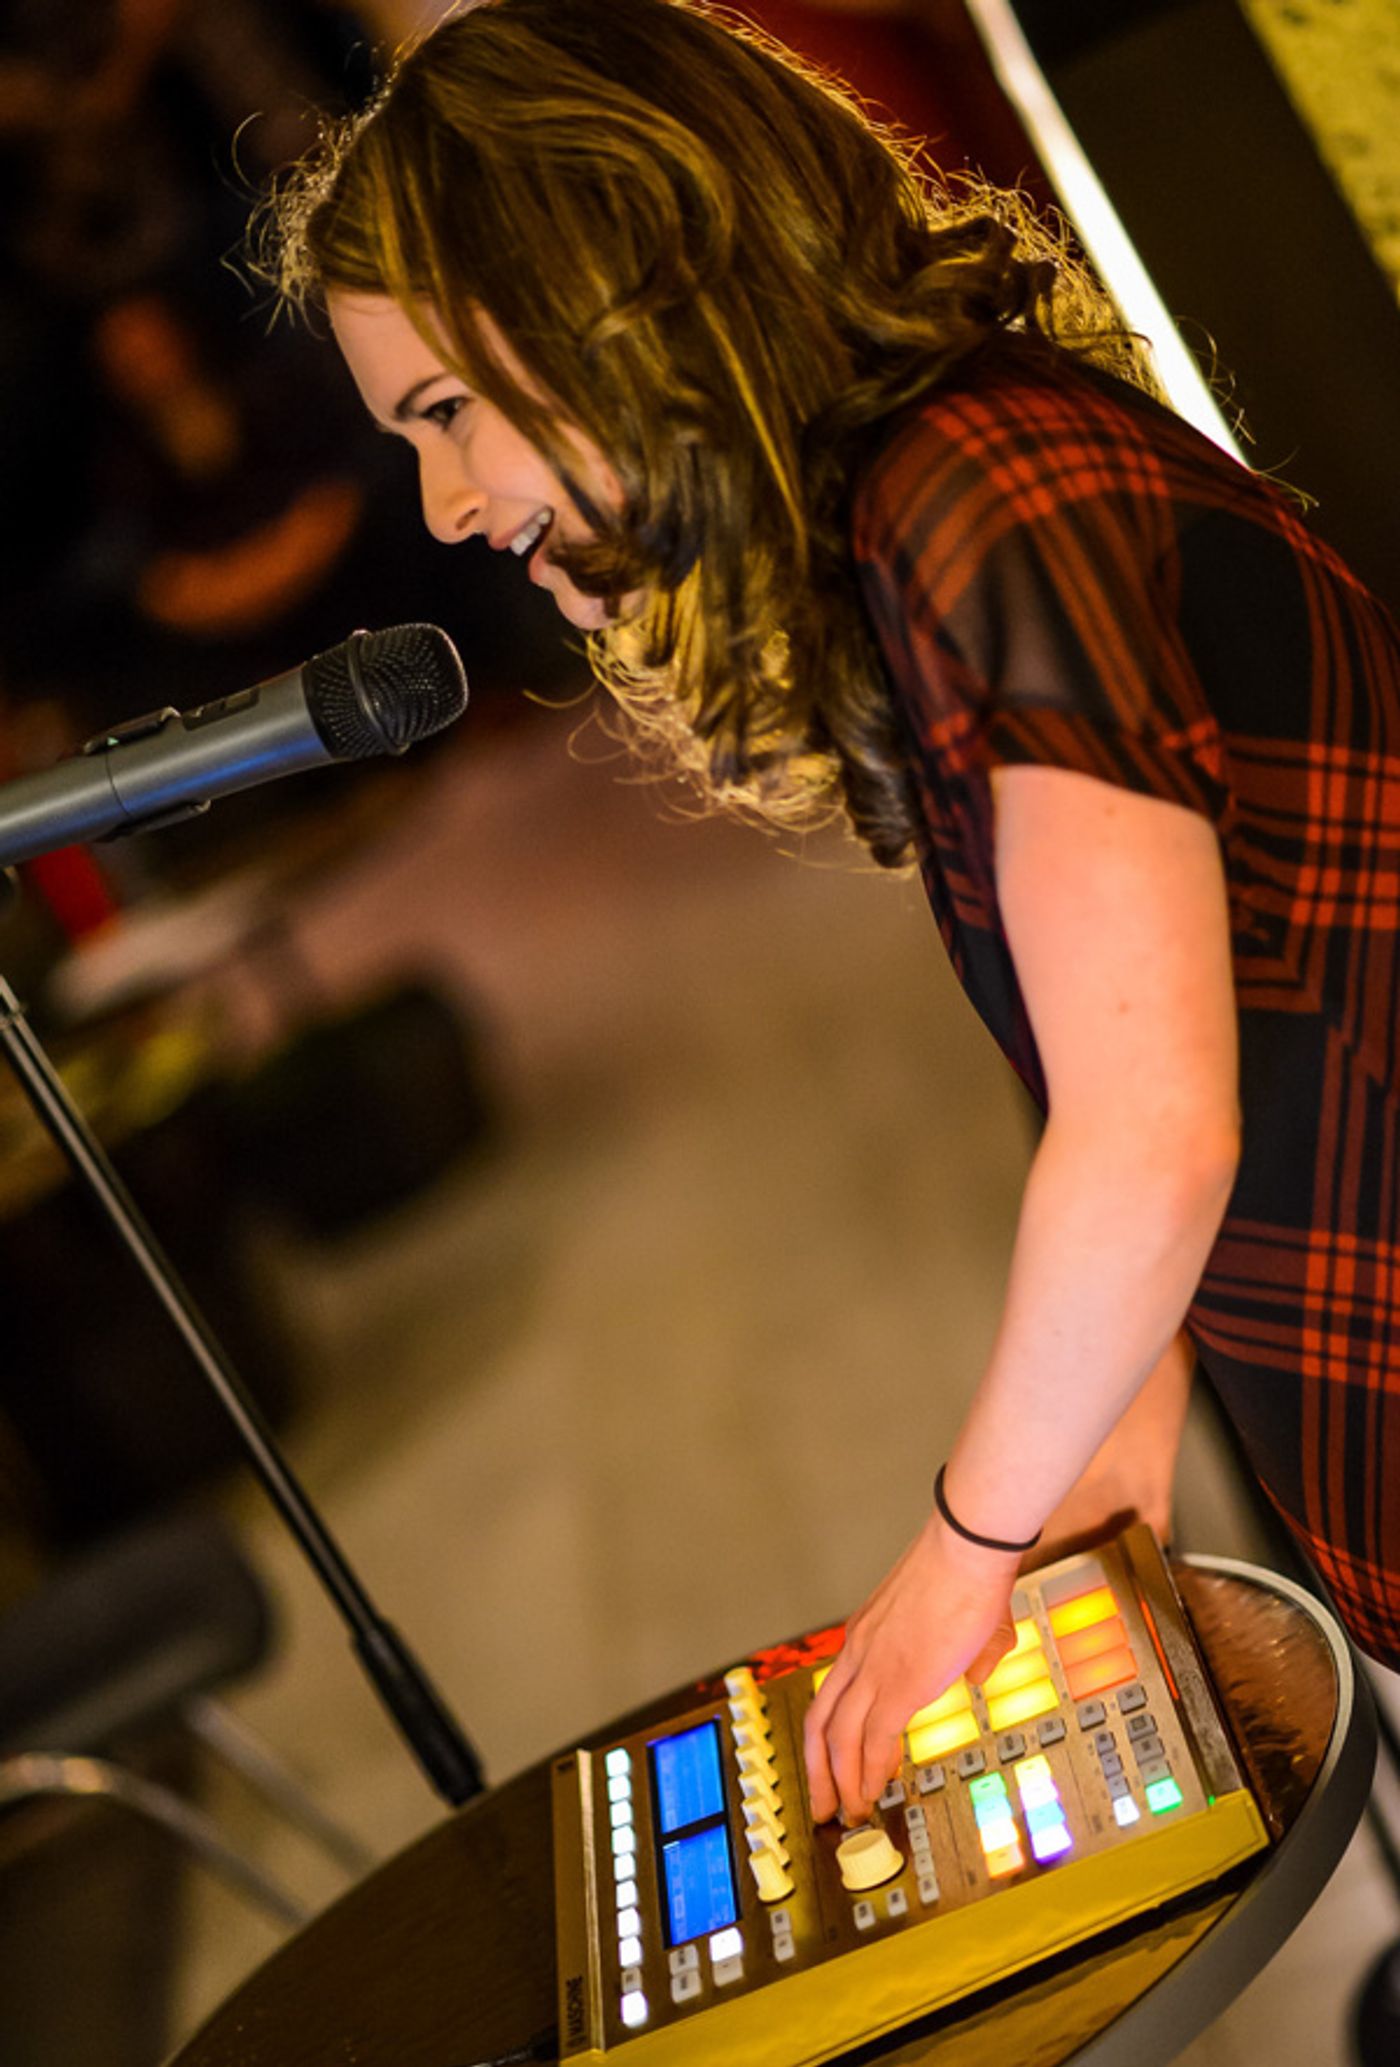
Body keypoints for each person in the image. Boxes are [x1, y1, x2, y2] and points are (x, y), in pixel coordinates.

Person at [261, 0, 1400, 1827]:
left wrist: (968, 1547)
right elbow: (1226, 1020)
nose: (451, 505)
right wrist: (1106, 1450)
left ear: (617, 298)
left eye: (452, 413)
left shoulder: (984, 500)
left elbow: (1154, 1127)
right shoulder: (947, 497)